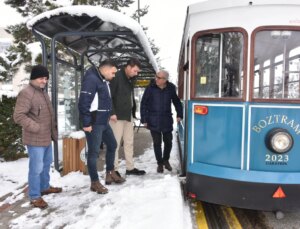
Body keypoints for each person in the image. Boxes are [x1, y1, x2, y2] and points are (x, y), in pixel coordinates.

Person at [13, 65, 62, 209]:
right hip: (35, 139)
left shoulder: (41, 92)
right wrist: (36, 127)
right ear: (33, 78)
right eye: (41, 78)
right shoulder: (26, 93)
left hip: (46, 137)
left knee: (46, 164)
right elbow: (18, 116)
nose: (44, 81)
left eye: (46, 78)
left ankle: (44, 187)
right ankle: (34, 196)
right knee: (36, 168)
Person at [78, 59, 125, 195]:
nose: (114, 75)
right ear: (105, 69)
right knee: (93, 153)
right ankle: (94, 182)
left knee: (113, 145)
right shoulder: (92, 80)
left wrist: (110, 113)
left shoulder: (102, 79)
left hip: (103, 121)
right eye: (113, 72)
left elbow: (104, 100)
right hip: (95, 122)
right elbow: (83, 103)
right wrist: (86, 124)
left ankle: (110, 172)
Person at [140, 70, 183, 173]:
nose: (156, 79)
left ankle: (166, 160)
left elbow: (176, 102)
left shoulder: (171, 88)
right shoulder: (150, 88)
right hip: (153, 120)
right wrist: (144, 119)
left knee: (168, 142)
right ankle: (159, 163)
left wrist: (179, 114)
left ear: (165, 80)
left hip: (166, 119)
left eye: (159, 78)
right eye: (156, 77)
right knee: (157, 143)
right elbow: (143, 104)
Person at [109, 58, 146, 176]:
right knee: (114, 144)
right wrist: (112, 112)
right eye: (135, 71)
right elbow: (109, 96)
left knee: (129, 142)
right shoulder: (116, 76)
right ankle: (113, 170)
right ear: (129, 67)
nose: (136, 73)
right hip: (116, 116)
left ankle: (130, 168)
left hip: (128, 115)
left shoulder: (131, 78)